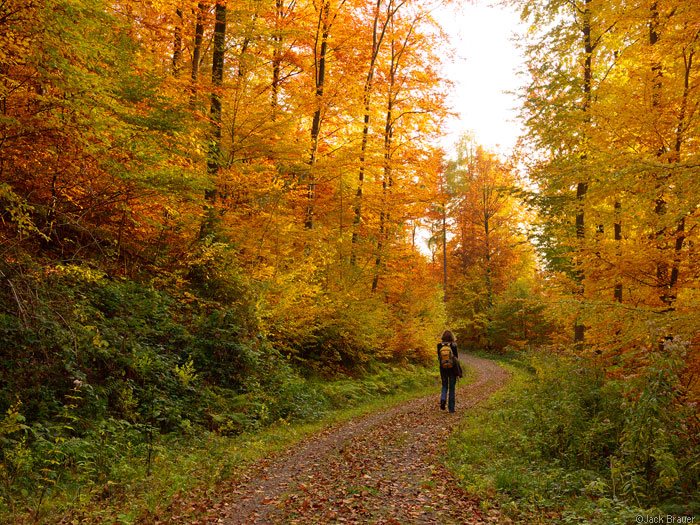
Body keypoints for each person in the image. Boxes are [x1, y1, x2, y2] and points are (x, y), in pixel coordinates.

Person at [437, 329, 461, 413]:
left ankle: (443, 399)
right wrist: (458, 372)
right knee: (451, 388)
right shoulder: (454, 345)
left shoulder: (439, 345)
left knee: (444, 385)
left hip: (443, 368)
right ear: (451, 336)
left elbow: (439, 358)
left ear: (443, 336)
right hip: (452, 369)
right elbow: (456, 358)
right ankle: (451, 409)